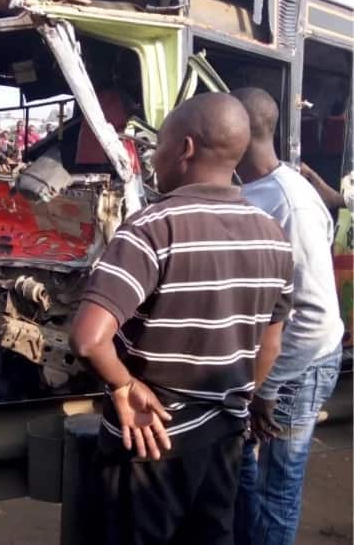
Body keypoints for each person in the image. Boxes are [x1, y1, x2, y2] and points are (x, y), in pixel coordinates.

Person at [70, 92, 294, 545]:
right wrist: (239, 398)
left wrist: (124, 385)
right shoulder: (273, 236)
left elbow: (90, 339)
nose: (154, 161)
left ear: (185, 149)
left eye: (160, 147)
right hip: (225, 439)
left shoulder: (152, 227)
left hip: (150, 443)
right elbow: (270, 342)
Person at [232, 87, 343, 545]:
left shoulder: (287, 202)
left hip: (300, 365)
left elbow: (311, 313)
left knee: (277, 484)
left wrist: (268, 388)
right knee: (245, 471)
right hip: (270, 366)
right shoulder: (257, 191)